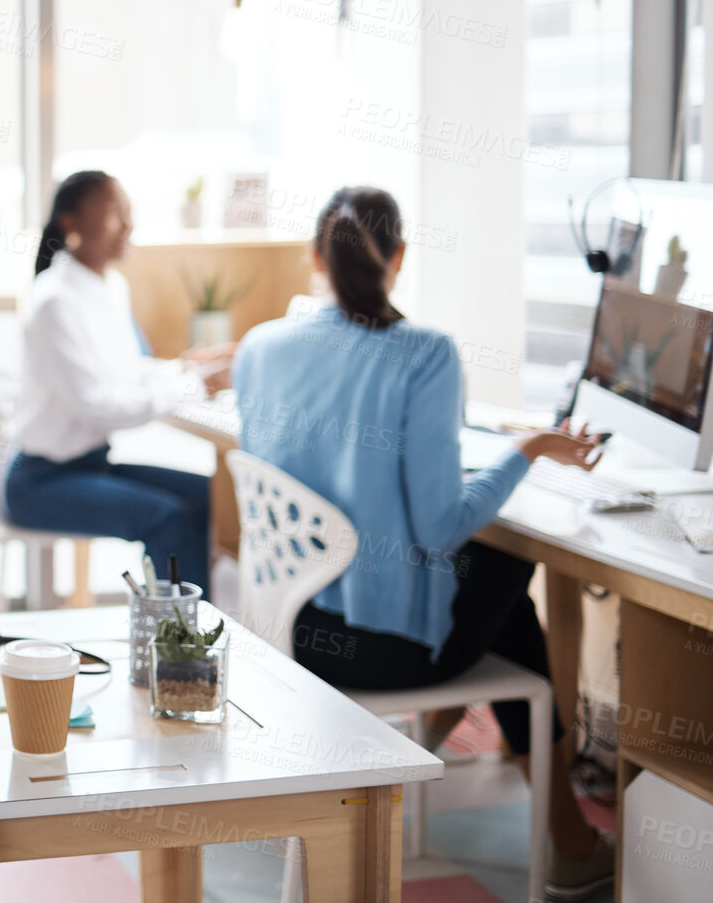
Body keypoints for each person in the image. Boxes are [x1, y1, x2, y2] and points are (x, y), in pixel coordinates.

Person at [233, 186, 615, 900]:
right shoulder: (424, 354)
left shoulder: (260, 345)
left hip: (286, 635)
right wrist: (529, 446)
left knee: (495, 587)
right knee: (507, 559)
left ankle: (437, 764)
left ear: (315, 256)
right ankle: (563, 838)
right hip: (382, 651)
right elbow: (439, 526)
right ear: (399, 256)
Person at [3, 170, 231, 590]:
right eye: (114, 214)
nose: (128, 225)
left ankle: (193, 627)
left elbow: (131, 369)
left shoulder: (111, 287)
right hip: (41, 481)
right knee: (168, 517)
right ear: (71, 222)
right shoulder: (54, 300)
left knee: (212, 496)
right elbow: (100, 406)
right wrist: (194, 386)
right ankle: (176, 641)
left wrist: (187, 368)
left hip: (92, 465)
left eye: (129, 213)